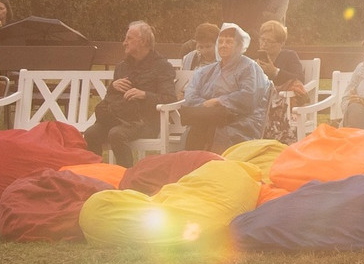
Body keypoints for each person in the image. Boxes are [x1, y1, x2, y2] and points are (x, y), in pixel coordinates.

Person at [84, 22, 179, 164]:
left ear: (143, 41)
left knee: (116, 134)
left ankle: (126, 177)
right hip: (119, 118)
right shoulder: (122, 66)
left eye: (129, 39)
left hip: (146, 121)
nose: (124, 43)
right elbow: (110, 99)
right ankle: (97, 175)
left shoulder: (162, 66)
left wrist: (145, 95)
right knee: (91, 133)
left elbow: (170, 99)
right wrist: (113, 87)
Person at [177, 23, 270, 154]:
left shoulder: (249, 67)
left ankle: (213, 167)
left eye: (229, 42)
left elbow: (249, 97)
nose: (223, 45)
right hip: (207, 119)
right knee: (197, 129)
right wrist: (205, 104)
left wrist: (219, 101)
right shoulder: (206, 71)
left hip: (239, 121)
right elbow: (190, 95)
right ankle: (194, 168)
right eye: (220, 42)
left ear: (239, 46)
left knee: (217, 131)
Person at [251, 19, 312, 141]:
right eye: (262, 39)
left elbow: (299, 78)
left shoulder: (289, 56)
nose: (264, 44)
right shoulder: (256, 58)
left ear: (281, 43)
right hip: (260, 102)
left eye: (269, 41)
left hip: (284, 103)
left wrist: (275, 71)